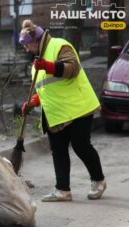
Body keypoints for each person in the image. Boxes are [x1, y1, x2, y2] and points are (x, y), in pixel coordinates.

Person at [18, 20, 106, 202]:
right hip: (56, 112)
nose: (27, 50)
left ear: (36, 39)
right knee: (58, 149)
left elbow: (72, 69)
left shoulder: (60, 46)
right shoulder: (36, 63)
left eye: (27, 45)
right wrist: (32, 102)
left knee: (81, 145)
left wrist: (49, 66)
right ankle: (62, 190)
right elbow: (45, 89)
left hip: (78, 107)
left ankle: (98, 181)